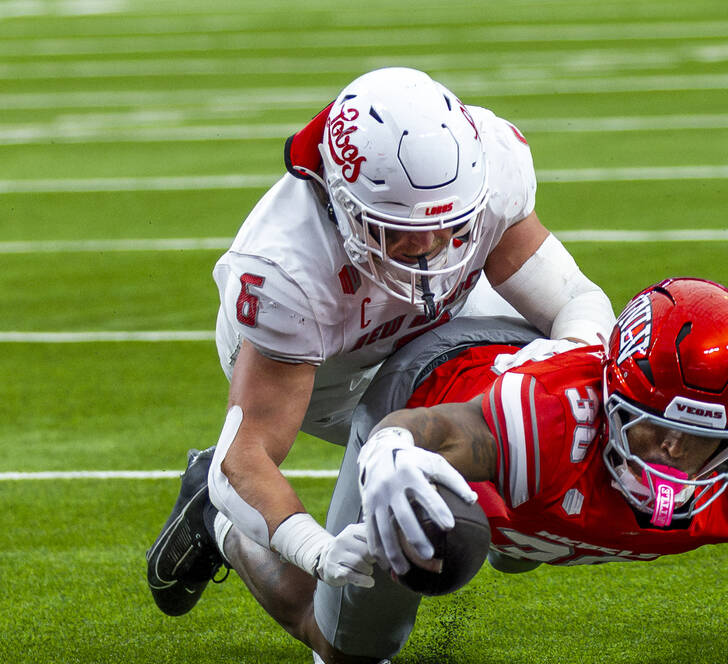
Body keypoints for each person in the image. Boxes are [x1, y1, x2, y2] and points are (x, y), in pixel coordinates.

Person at [160, 278, 728, 664]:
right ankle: (225, 510)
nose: (677, 463)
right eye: (656, 434)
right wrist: (395, 445)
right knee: (368, 630)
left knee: (501, 543)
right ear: (614, 400)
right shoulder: (548, 424)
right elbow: (448, 429)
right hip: (422, 379)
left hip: (500, 394)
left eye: (702, 444)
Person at [145, 67, 615, 618]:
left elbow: (576, 301)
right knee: (339, 630)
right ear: (343, 203)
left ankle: (505, 519)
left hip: (448, 323)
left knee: (527, 485)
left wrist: (561, 363)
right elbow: (244, 458)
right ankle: (219, 523)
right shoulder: (286, 269)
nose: (433, 248)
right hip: (331, 376)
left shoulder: (491, 166)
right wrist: (316, 551)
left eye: (451, 225)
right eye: (401, 230)